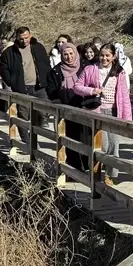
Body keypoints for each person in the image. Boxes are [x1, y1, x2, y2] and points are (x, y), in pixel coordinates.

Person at [73, 43, 133, 183]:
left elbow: (124, 95)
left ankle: (110, 176)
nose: (104, 58)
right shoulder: (90, 69)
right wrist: (91, 91)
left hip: (114, 111)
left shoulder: (120, 72)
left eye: (107, 56)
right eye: (102, 55)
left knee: (114, 146)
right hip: (97, 111)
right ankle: (96, 173)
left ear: (113, 56)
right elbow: (77, 86)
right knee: (102, 146)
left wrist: (127, 118)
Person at [0, 27, 52, 140]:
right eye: (21, 38)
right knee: (23, 115)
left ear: (30, 35)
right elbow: (3, 68)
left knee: (42, 113)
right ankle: (25, 140)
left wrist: (46, 79)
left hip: (39, 87)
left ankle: (34, 136)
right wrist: (12, 82)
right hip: (22, 88)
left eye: (26, 38)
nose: (24, 41)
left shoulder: (38, 47)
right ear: (17, 38)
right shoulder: (10, 52)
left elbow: (46, 64)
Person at [47, 43, 88, 171]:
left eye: (71, 54)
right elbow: (51, 90)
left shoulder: (84, 68)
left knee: (86, 139)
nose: (69, 57)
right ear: (61, 55)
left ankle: (88, 166)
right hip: (67, 110)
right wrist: (59, 99)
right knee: (70, 139)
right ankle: (74, 169)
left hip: (84, 109)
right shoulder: (56, 71)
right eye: (65, 54)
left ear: (75, 53)